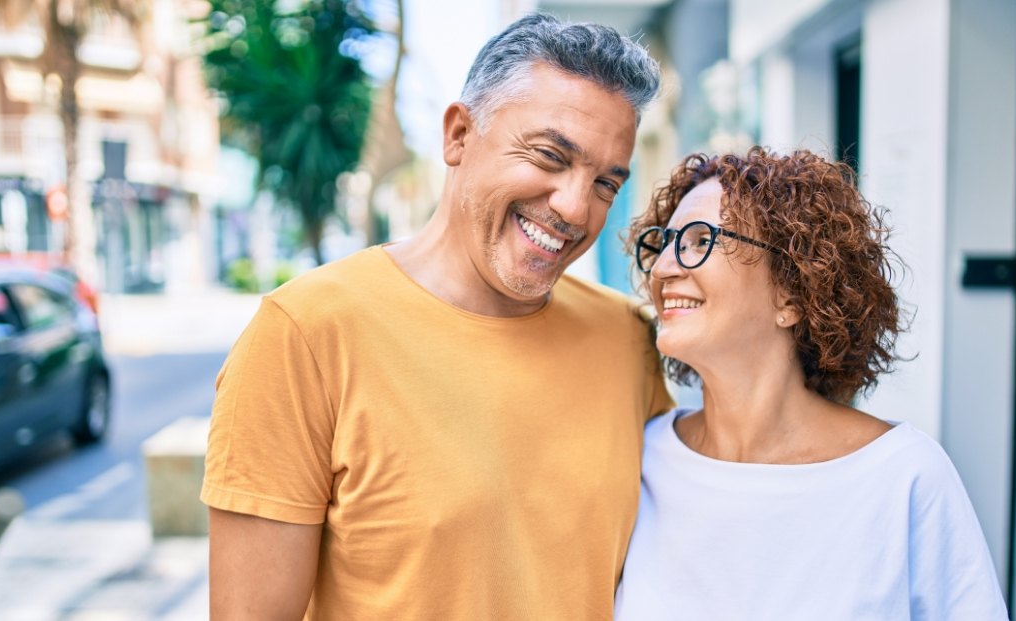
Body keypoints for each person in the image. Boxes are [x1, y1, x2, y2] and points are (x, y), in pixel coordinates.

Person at [202, 13, 672, 621]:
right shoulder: (306, 334)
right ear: (457, 135)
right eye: (550, 157)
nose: (576, 209)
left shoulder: (626, 338)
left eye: (606, 183)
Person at [614, 148, 1010, 620]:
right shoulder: (642, 459)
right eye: (663, 243)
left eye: (701, 240)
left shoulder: (904, 476)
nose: (661, 269)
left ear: (792, 292)